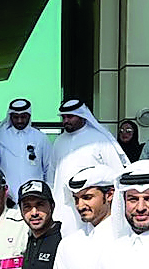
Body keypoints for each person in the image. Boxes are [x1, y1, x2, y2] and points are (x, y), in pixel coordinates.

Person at [51, 99, 128, 236]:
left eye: (70, 117)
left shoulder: (100, 139)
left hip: (92, 205)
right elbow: (52, 173)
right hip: (63, 205)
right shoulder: (59, 141)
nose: (66, 121)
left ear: (81, 116)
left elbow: (117, 174)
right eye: (64, 117)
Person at [0, 98, 53, 201]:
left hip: (35, 195)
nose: (19, 121)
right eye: (16, 117)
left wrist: (48, 191)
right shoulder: (0, 136)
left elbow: (49, 167)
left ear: (29, 116)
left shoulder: (40, 137)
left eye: (23, 117)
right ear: (10, 116)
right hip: (7, 196)